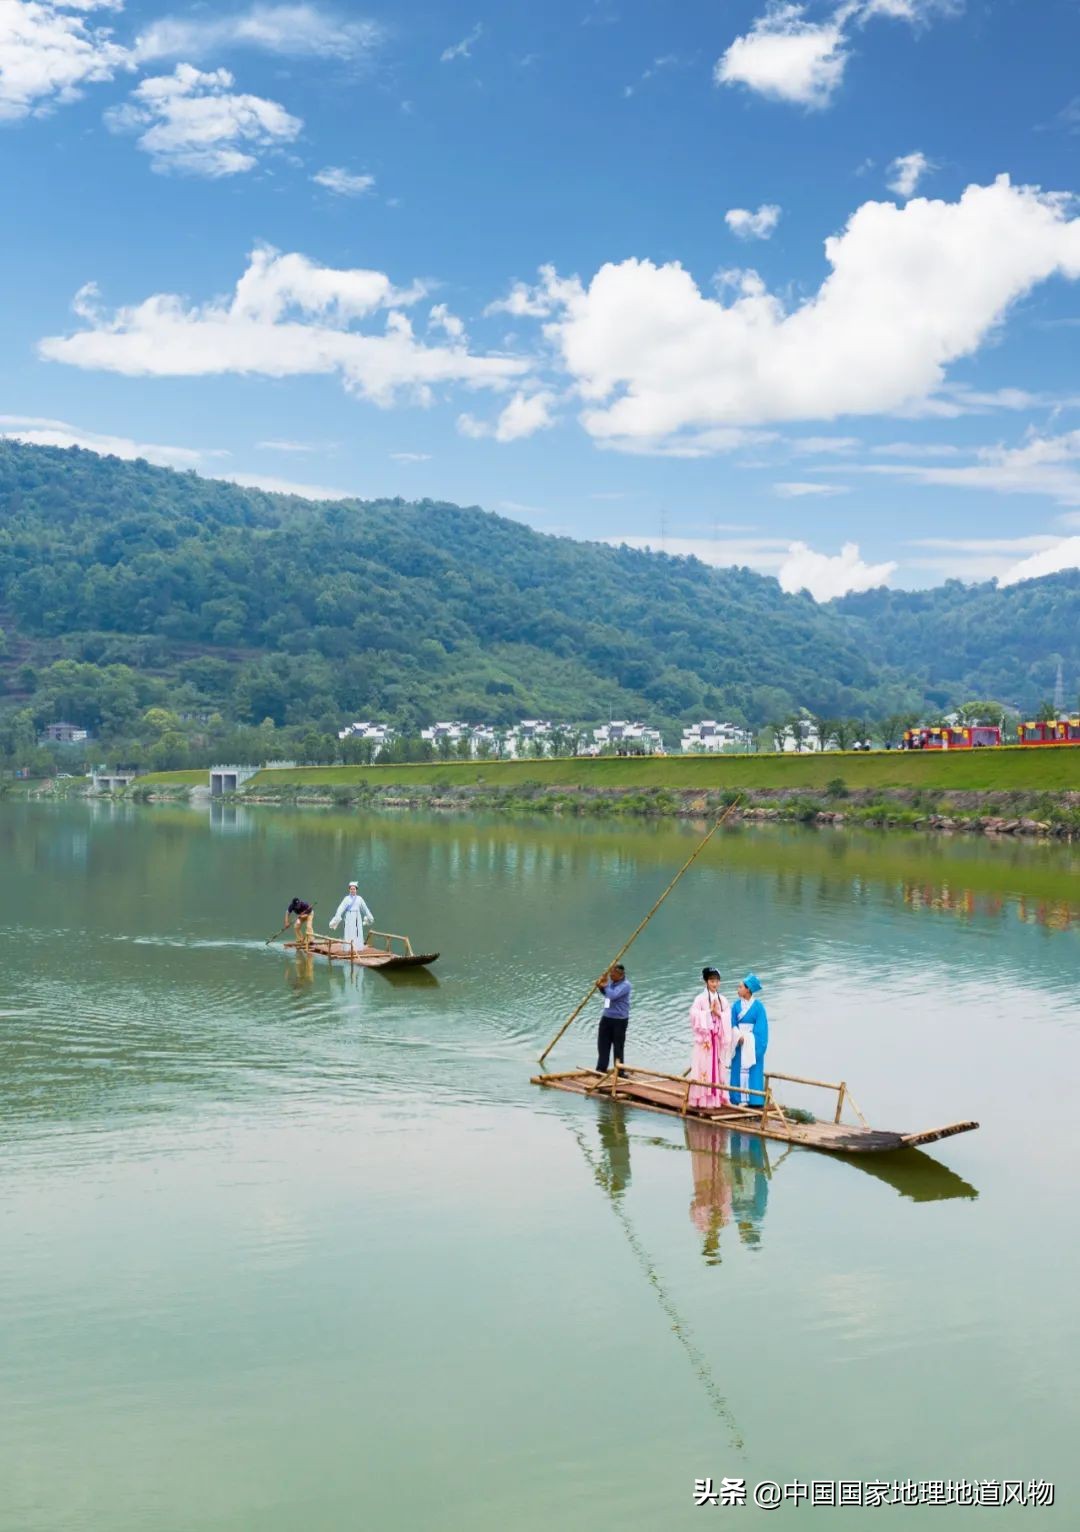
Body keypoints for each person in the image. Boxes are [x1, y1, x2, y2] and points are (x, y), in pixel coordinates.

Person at [688, 966, 732, 1109]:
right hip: (705, 1041)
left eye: (717, 981)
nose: (715, 984)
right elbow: (693, 1015)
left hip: (717, 1039)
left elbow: (727, 1017)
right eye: (712, 980)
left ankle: (717, 1098)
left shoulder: (723, 1000)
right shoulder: (700, 999)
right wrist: (708, 1012)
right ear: (706, 982)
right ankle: (702, 1100)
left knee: (718, 1068)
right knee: (703, 1068)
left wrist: (719, 1014)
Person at [729, 973, 768, 1109]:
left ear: (748, 989)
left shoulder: (758, 1007)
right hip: (738, 1042)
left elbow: (761, 1029)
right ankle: (737, 1097)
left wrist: (748, 1039)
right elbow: (732, 1023)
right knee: (738, 1069)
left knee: (751, 1069)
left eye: (740, 987)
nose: (738, 989)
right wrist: (737, 1036)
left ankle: (753, 1099)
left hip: (751, 1044)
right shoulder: (735, 1006)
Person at [595, 962, 632, 1073]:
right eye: (610, 973)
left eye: (613, 974)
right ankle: (601, 1069)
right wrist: (600, 987)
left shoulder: (625, 985)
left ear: (621, 974)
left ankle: (619, 1071)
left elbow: (612, 996)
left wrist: (605, 985)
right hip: (606, 1018)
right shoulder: (611, 983)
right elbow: (607, 996)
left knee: (618, 1047)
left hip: (619, 1021)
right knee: (603, 1045)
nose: (611, 976)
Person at [329, 881, 374, 949]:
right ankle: (348, 947)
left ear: (356, 890)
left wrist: (369, 917)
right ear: (349, 890)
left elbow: (365, 909)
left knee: (357, 931)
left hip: (357, 916)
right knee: (349, 931)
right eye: (351, 889)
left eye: (354, 889)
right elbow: (340, 908)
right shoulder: (346, 899)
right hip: (349, 916)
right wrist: (337, 917)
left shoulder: (359, 898)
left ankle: (358, 947)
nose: (353, 890)